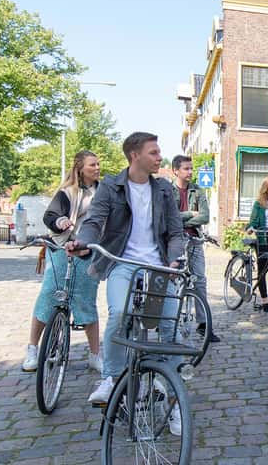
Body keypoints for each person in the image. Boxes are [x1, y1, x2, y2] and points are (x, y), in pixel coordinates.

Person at [68, 132, 186, 419]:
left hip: (159, 266)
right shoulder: (111, 186)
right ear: (135, 156)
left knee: (170, 326)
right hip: (122, 262)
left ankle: (170, 394)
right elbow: (95, 221)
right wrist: (83, 241)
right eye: (154, 153)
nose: (160, 158)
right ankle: (110, 378)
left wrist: (174, 259)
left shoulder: (164, 190)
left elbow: (175, 231)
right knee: (119, 312)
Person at [23, 150, 102, 374]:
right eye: (92, 165)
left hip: (87, 251)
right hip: (60, 248)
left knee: (86, 300)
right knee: (49, 294)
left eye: (98, 164)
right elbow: (50, 215)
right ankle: (32, 349)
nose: (97, 168)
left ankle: (95, 355)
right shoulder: (67, 192)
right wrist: (61, 220)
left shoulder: (102, 192)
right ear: (80, 168)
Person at [170, 155, 219, 344]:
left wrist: (185, 220)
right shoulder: (169, 190)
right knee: (173, 278)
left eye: (191, 169)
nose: (190, 172)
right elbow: (170, 217)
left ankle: (203, 324)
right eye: (186, 169)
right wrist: (190, 213)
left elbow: (205, 216)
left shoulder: (197, 191)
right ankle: (169, 322)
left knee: (199, 280)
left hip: (195, 239)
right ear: (176, 170)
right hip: (175, 240)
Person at [245, 177, 268, 312]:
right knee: (263, 270)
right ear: (265, 188)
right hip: (263, 239)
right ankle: (265, 300)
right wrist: (251, 227)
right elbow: (253, 220)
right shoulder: (259, 204)